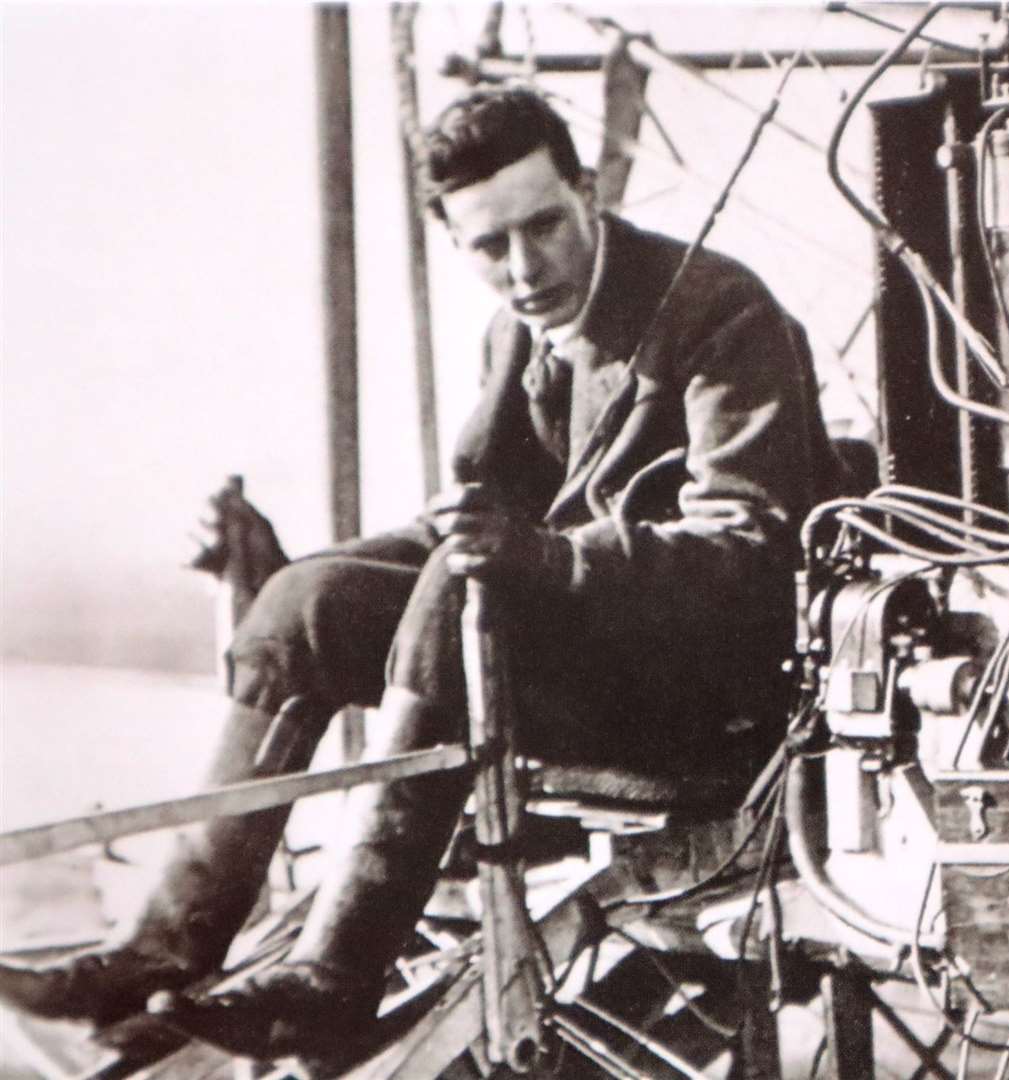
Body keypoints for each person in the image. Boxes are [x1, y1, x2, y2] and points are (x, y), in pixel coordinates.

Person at [0, 85, 840, 1059]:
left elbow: (749, 549)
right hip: (576, 651)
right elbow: (480, 518)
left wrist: (544, 557)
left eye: (546, 227)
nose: (525, 270)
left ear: (588, 189)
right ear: (455, 240)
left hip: (709, 691)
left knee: (459, 587)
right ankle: (159, 951)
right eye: (491, 247)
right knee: (299, 607)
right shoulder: (515, 332)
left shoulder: (715, 307)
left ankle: (331, 973)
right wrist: (290, 573)